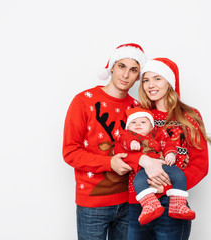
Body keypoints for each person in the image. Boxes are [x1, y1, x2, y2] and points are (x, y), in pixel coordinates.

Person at [62, 43, 147, 240]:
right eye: (121, 66)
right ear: (111, 67)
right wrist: (109, 163)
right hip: (93, 204)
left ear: (138, 76)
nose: (126, 75)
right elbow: (70, 152)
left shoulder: (138, 110)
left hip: (130, 202)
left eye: (133, 70)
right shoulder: (83, 101)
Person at [127, 58, 211, 240]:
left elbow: (200, 164)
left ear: (169, 82)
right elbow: (124, 150)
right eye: (146, 80)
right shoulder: (139, 115)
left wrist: (165, 187)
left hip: (172, 202)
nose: (150, 85)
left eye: (157, 78)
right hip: (139, 202)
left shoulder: (188, 116)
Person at [114, 107, 195, 226]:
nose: (138, 125)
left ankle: (178, 204)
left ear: (151, 126)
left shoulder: (158, 134)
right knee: (139, 182)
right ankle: (150, 205)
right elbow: (123, 142)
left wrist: (170, 154)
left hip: (163, 164)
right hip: (143, 170)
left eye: (143, 122)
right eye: (133, 122)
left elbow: (168, 144)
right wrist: (132, 142)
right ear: (128, 126)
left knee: (179, 175)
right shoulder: (127, 135)